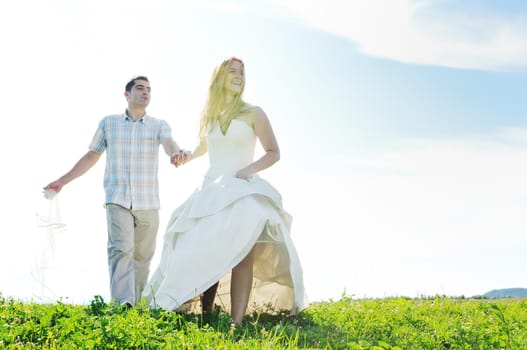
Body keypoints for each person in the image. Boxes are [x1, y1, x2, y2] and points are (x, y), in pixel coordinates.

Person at [142, 57, 307, 324]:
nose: (238, 76)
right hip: (211, 190)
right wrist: (185, 155)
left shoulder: (254, 113)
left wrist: (250, 169)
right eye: (232, 71)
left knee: (242, 253)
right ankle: (206, 314)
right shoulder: (211, 116)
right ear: (219, 77)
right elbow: (204, 147)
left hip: (242, 191)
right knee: (206, 249)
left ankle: (236, 322)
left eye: (241, 72)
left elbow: (274, 152)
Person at [44, 76, 187, 307]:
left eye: (149, 89)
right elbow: (92, 155)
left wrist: (176, 152)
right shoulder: (108, 123)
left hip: (149, 202)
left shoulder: (159, 125)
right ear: (127, 94)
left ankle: (136, 303)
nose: (145, 92)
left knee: (142, 257)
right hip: (117, 200)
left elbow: (169, 142)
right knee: (121, 250)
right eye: (140, 88)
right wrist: (63, 180)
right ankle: (123, 304)